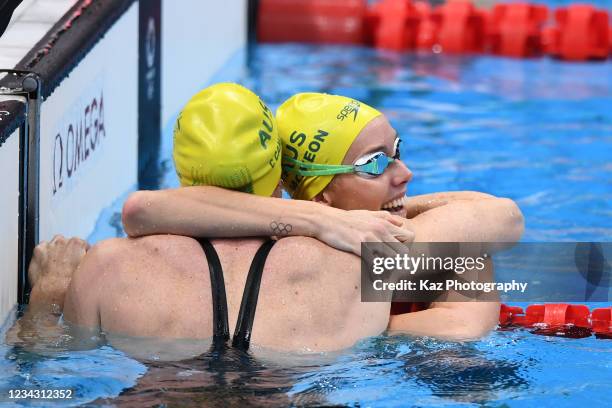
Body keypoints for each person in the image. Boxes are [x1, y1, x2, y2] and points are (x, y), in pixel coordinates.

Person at [122, 89, 523, 334]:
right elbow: (502, 219)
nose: (406, 173)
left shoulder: (143, 262)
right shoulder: (363, 257)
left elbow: (144, 209)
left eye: (396, 151)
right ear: (319, 197)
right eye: (375, 164)